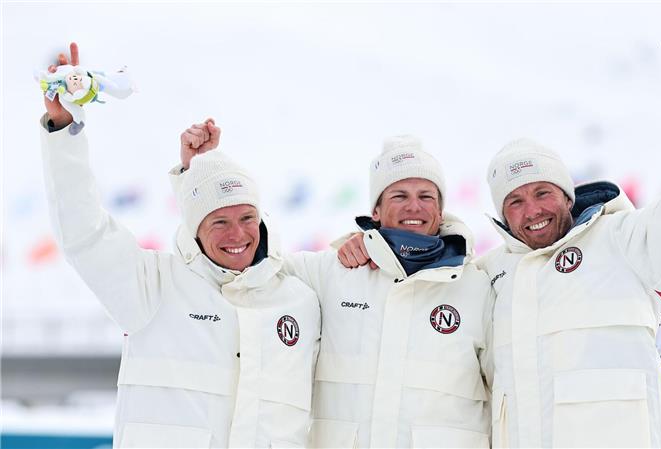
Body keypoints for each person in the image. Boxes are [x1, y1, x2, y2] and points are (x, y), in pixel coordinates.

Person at [339, 14, 661, 448]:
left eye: (542, 192)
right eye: (515, 201)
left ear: (568, 196)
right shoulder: (488, 274)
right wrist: (370, 249)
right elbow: (423, 305)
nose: (532, 210)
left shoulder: (627, 242)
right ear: (502, 215)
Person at [40, 43, 320, 448]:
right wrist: (66, 131)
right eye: (219, 222)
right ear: (194, 230)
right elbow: (84, 232)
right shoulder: (154, 287)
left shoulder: (298, 298)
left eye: (246, 219)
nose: (237, 235)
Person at [175, 134, 495, 448]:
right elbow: (242, 260)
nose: (414, 206)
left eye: (426, 196)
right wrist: (199, 178)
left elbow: (504, 392)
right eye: (399, 195)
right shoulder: (331, 273)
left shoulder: (477, 286)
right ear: (376, 212)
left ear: (441, 211)